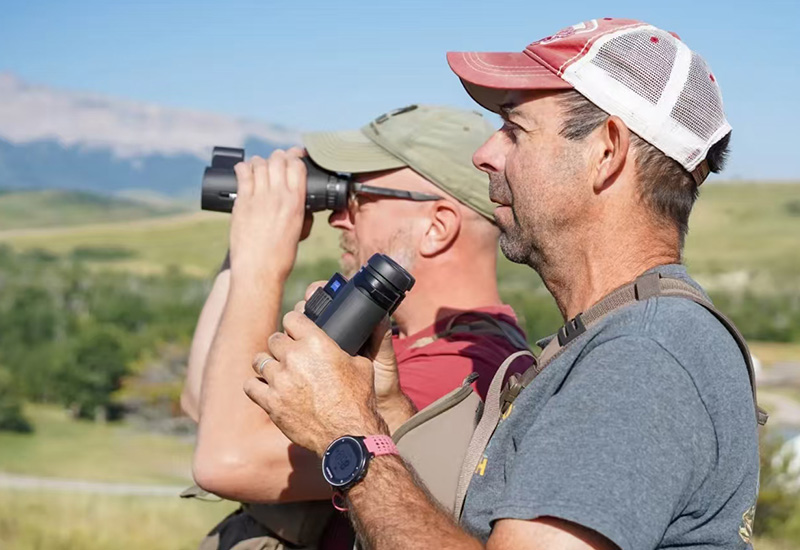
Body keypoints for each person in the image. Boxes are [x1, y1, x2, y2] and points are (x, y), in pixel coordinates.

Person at [243, 18, 762, 550]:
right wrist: (382, 407)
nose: (484, 153)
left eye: (515, 130)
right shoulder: (615, 339)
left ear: (607, 150)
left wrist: (346, 434)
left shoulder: (643, 355)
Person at [182, 105, 531, 548]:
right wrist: (243, 250)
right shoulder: (406, 347)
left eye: (358, 197)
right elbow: (204, 401)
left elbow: (225, 460)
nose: (338, 217)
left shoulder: (457, 375)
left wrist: (262, 266)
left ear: (436, 227)